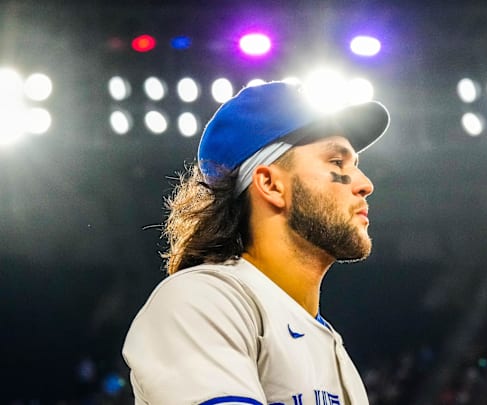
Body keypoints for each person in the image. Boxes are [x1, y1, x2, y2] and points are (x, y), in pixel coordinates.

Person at [122, 81, 390, 405]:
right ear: (270, 184)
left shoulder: (333, 348)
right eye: (336, 162)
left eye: (356, 166)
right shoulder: (202, 300)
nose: (365, 185)